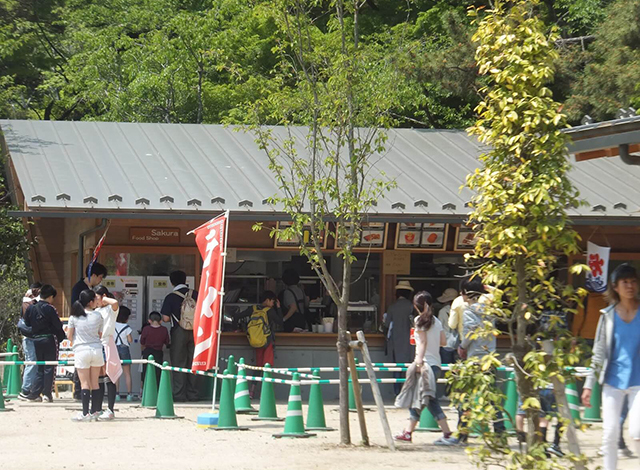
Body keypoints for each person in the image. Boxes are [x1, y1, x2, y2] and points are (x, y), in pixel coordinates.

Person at [582, 263, 640, 470]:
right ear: (615, 287)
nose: (630, 286)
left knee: (637, 431)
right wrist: (589, 385)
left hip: (638, 382)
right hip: (613, 381)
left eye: (634, 281)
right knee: (609, 433)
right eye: (625, 282)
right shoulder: (607, 315)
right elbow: (599, 352)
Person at [394, 291, 457, 445]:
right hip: (436, 364)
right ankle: (409, 432)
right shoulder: (436, 321)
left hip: (424, 365)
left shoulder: (418, 320)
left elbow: (422, 343)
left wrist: (418, 361)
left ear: (416, 306)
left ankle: (446, 433)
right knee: (424, 399)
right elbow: (443, 342)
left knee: (426, 400)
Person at [456, 276, 505, 443]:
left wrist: (462, 347)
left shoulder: (469, 310)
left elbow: (470, 332)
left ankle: (462, 433)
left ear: (464, 293)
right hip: (490, 357)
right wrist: (487, 287)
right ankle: (500, 432)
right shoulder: (490, 309)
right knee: (492, 397)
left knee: (465, 397)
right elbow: (500, 293)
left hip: (474, 359)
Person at [20, 284, 65, 402]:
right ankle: (47, 393)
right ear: (50, 297)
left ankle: (34, 393)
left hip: (36, 340)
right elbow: (58, 325)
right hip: (49, 339)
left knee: (39, 366)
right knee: (50, 366)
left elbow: (27, 323)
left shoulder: (31, 308)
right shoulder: (50, 308)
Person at [70, 262, 108, 399]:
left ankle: (85, 393)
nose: (100, 280)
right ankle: (79, 392)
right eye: (100, 277)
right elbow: (74, 307)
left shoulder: (89, 289)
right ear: (93, 275)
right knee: (82, 368)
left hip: (89, 340)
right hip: (82, 335)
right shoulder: (79, 288)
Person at [67, 289, 104, 421]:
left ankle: (84, 413)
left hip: (81, 350)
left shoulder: (74, 317)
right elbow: (100, 334)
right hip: (97, 350)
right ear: (90, 302)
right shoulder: (98, 316)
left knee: (84, 383)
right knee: (95, 383)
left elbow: (69, 336)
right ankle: (95, 412)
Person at [161, 270, 198, 402]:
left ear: (172, 281)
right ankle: (193, 394)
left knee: (178, 363)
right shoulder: (196, 294)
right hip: (196, 332)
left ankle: (179, 394)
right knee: (193, 363)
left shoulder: (171, 297)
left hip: (178, 331)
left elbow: (165, 318)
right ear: (185, 280)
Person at [93, 286, 121, 420]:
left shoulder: (110, 310)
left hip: (107, 343)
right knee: (98, 378)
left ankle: (110, 409)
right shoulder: (96, 311)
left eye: (97, 297)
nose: (96, 301)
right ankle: (97, 408)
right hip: (97, 344)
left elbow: (115, 303)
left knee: (109, 376)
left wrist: (104, 299)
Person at [234, 291, 283, 367]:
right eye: (273, 302)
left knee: (259, 364)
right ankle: (265, 378)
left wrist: (235, 329)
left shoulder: (253, 309)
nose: (273, 305)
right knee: (267, 364)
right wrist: (279, 307)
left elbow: (237, 316)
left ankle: (257, 378)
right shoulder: (269, 311)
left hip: (255, 339)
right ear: (267, 300)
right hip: (267, 340)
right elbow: (280, 322)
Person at [383, 281, 415, 395]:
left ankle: (397, 393)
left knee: (396, 367)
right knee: (409, 367)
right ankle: (407, 392)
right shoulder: (412, 307)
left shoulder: (392, 307)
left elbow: (386, 325)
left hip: (395, 341)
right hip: (410, 342)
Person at [18, 282, 42, 400]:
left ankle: (31, 389)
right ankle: (25, 390)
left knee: (33, 362)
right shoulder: (27, 302)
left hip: (31, 337)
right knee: (31, 362)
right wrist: (31, 298)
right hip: (29, 337)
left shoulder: (29, 301)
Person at [141, 311, 170, 385]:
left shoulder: (146, 329)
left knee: (146, 371)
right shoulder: (164, 329)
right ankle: (157, 390)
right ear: (160, 321)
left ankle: (146, 389)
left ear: (149, 320)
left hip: (147, 352)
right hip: (158, 352)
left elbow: (142, 341)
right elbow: (167, 342)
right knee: (158, 371)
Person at [114, 306, 134, 401]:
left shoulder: (112, 325)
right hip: (124, 349)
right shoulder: (126, 327)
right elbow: (130, 340)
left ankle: (116, 394)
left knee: (116, 373)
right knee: (127, 373)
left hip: (115, 349)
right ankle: (129, 394)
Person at [437, 287, 459, 365]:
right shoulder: (459, 310)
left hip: (445, 344)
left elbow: (439, 328)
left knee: (445, 369)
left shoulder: (442, 311)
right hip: (458, 343)